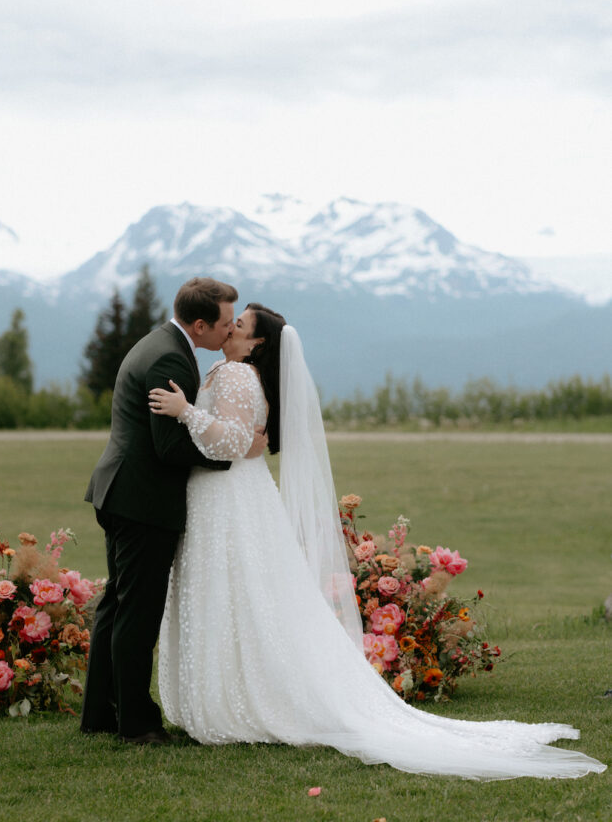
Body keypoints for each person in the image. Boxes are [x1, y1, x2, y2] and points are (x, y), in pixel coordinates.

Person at [148, 303, 606, 779]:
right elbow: (243, 442)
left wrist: (185, 414)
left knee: (238, 594)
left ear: (258, 342)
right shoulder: (230, 371)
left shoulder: (240, 376)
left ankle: (238, 697)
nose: (230, 327)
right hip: (233, 497)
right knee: (244, 596)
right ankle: (237, 690)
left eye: (239, 324)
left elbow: (230, 444)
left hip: (232, 502)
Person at [80, 277, 268, 744]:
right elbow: (168, 447)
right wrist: (234, 452)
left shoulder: (158, 342)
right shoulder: (170, 358)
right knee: (137, 613)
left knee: (117, 605)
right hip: (143, 499)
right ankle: (138, 724)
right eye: (226, 323)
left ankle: (100, 713)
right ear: (200, 324)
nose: (229, 331)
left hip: (120, 491)